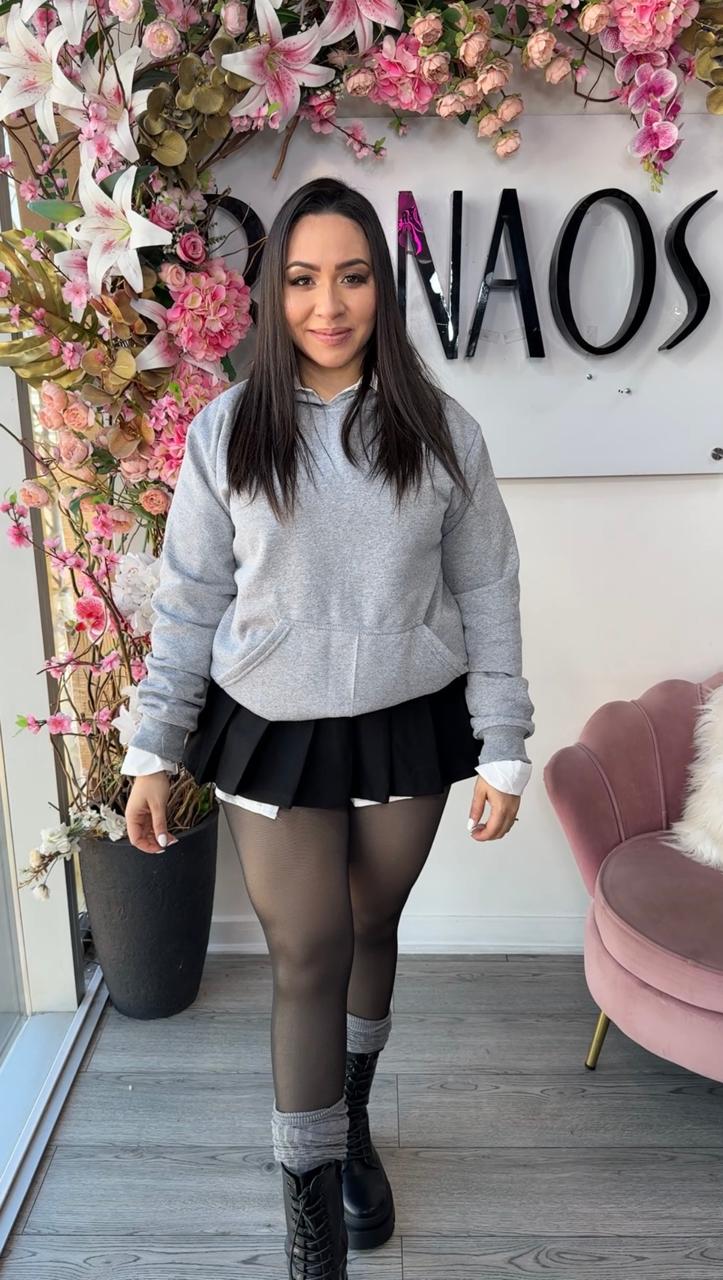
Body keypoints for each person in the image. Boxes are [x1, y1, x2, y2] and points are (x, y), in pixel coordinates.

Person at [121, 175, 535, 1279]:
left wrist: (503, 739)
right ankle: (313, 1237)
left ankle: (347, 1127)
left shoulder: (440, 428)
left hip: (409, 719)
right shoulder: (226, 431)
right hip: (273, 725)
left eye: (352, 277)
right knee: (308, 952)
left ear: (381, 289)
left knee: (369, 924)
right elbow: (188, 601)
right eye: (302, 279)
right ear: (270, 294)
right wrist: (155, 748)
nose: (327, 303)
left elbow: (487, 586)